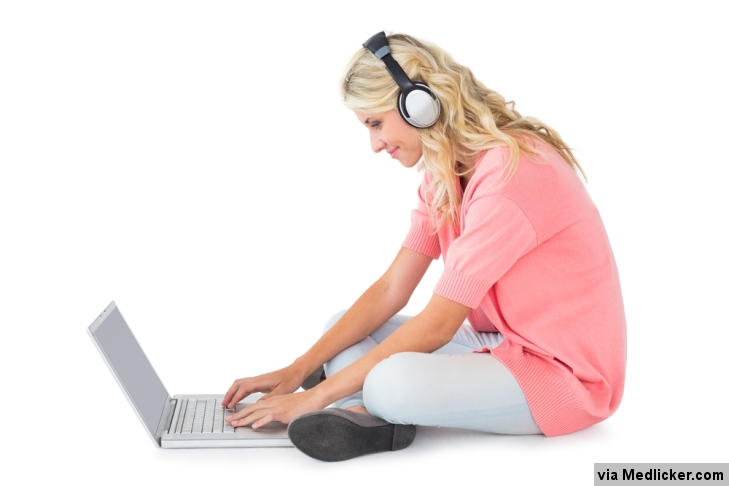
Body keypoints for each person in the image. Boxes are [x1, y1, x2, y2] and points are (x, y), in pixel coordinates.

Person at [221, 31, 626, 462]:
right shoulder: (444, 172)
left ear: (418, 104)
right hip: (503, 343)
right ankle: (363, 415)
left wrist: (311, 397)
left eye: (375, 124)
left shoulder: (510, 175)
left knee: (389, 382)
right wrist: (296, 370)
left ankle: (367, 404)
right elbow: (392, 288)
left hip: (563, 377)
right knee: (341, 328)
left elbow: (438, 326)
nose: (375, 145)